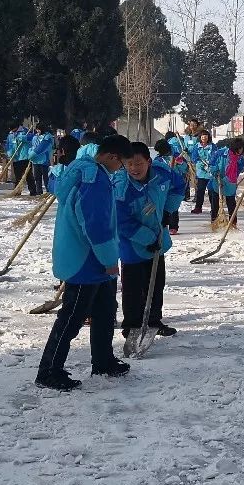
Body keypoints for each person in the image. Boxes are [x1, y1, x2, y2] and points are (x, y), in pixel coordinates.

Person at [35, 135, 133, 390]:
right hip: (87, 260)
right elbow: (95, 225)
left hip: (94, 258)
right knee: (72, 317)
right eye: (121, 163)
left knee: (104, 311)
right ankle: (49, 370)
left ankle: (103, 360)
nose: (121, 169)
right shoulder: (94, 179)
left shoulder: (84, 171)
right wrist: (109, 259)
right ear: (112, 157)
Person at [114, 142, 174, 345]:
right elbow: (121, 221)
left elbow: (178, 186)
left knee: (156, 284)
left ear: (148, 162)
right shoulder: (122, 187)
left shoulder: (161, 175)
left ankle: (154, 320)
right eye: (129, 164)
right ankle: (132, 324)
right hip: (132, 246)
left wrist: (168, 210)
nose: (134, 168)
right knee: (133, 287)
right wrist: (146, 238)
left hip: (157, 241)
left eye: (138, 163)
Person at [209, 136, 244, 225]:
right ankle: (214, 221)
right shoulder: (221, 153)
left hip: (230, 182)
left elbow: (238, 170)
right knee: (215, 203)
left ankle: (232, 222)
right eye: (239, 149)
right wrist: (215, 171)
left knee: (231, 203)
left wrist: (230, 178)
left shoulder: (240, 158)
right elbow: (211, 163)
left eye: (242, 149)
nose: (240, 151)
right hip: (217, 179)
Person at [191, 130, 214, 215]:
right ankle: (198, 207)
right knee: (200, 190)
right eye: (202, 136)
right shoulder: (197, 146)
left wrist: (210, 163)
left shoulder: (213, 146)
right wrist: (199, 163)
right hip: (201, 172)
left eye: (206, 136)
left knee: (211, 191)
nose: (204, 137)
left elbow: (215, 156)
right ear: (200, 137)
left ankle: (214, 208)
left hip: (210, 172)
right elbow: (194, 157)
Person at [28, 126, 55, 197]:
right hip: (36, 161)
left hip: (44, 160)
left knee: (46, 177)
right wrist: (30, 151)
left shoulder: (47, 137)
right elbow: (32, 145)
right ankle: (39, 192)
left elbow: (42, 147)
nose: (37, 131)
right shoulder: (35, 137)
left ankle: (49, 191)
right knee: (37, 177)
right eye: (37, 129)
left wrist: (34, 153)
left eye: (39, 129)